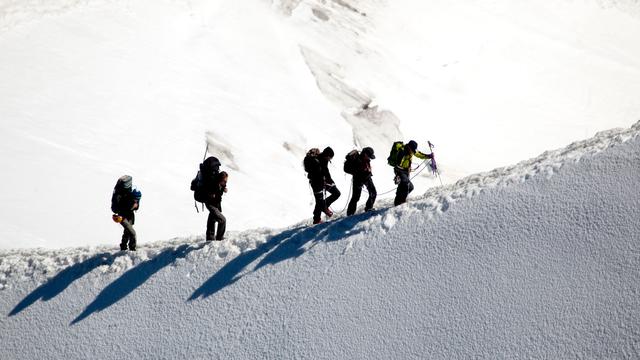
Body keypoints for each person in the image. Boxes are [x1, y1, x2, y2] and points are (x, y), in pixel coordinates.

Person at [304, 147, 341, 224]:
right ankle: (316, 220)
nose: (330, 159)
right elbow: (316, 174)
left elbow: (326, 171)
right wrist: (325, 181)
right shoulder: (315, 161)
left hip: (323, 182)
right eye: (330, 157)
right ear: (327, 155)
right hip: (316, 183)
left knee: (337, 193)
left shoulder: (324, 159)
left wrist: (331, 181)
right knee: (319, 201)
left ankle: (324, 207)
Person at [393, 140, 432, 206]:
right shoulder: (402, 152)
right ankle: (401, 202)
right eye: (412, 150)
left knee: (410, 187)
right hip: (400, 171)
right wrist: (398, 175)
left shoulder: (411, 150)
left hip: (406, 172)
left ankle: (398, 201)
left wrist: (429, 156)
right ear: (409, 147)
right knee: (406, 184)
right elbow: (397, 165)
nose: (413, 152)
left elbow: (419, 154)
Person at [111, 175, 141, 251]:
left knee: (127, 232)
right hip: (122, 217)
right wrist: (132, 206)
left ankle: (123, 247)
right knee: (132, 233)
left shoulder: (129, 193)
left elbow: (136, 206)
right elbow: (118, 208)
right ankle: (132, 249)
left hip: (129, 216)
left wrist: (135, 205)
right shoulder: (121, 195)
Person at [346, 147, 377, 216]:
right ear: (365, 154)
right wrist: (363, 170)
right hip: (358, 179)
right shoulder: (357, 160)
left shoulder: (364, 159)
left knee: (373, 192)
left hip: (366, 177)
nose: (370, 158)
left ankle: (368, 208)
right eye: (369, 156)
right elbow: (357, 171)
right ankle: (350, 214)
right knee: (356, 197)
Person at [204, 171, 228, 241]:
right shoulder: (213, 184)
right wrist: (210, 194)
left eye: (226, 181)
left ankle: (210, 238)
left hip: (216, 205)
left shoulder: (221, 184)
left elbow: (220, 189)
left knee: (212, 219)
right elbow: (208, 192)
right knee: (223, 220)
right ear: (220, 179)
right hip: (211, 204)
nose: (225, 183)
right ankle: (219, 238)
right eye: (224, 181)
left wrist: (223, 189)